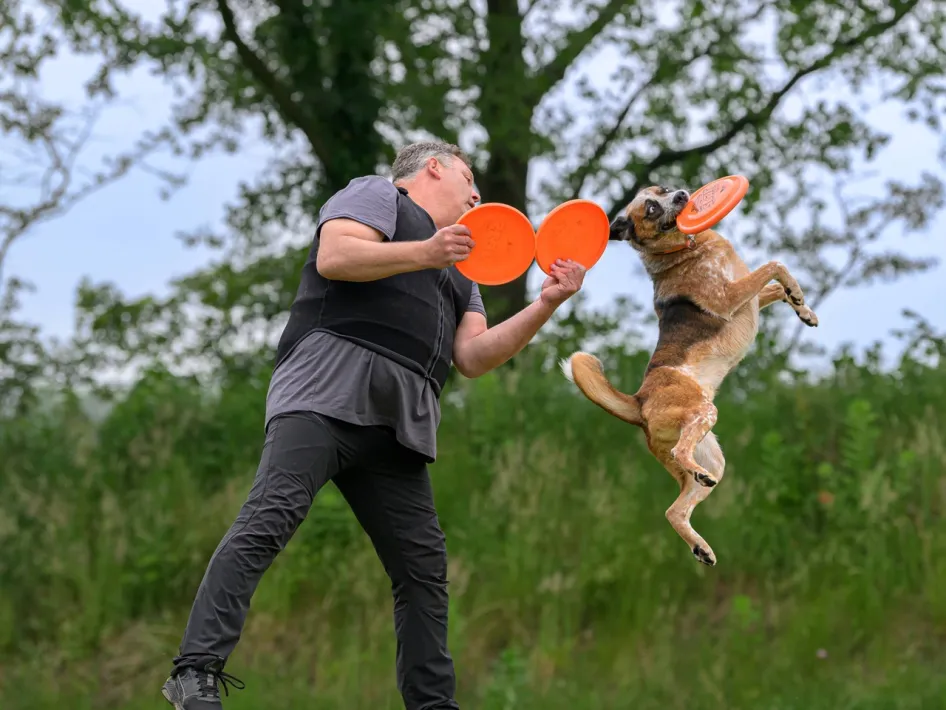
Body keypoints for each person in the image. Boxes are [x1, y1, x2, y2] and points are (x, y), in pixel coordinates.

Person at [160, 141, 587, 710]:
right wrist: (426, 252)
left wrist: (547, 304)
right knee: (269, 520)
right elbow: (336, 256)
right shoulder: (379, 194)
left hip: (399, 427)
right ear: (433, 168)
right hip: (324, 395)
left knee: (423, 570)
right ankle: (194, 674)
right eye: (469, 179)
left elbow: (475, 357)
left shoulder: (465, 266)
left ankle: (432, 705)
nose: (478, 196)